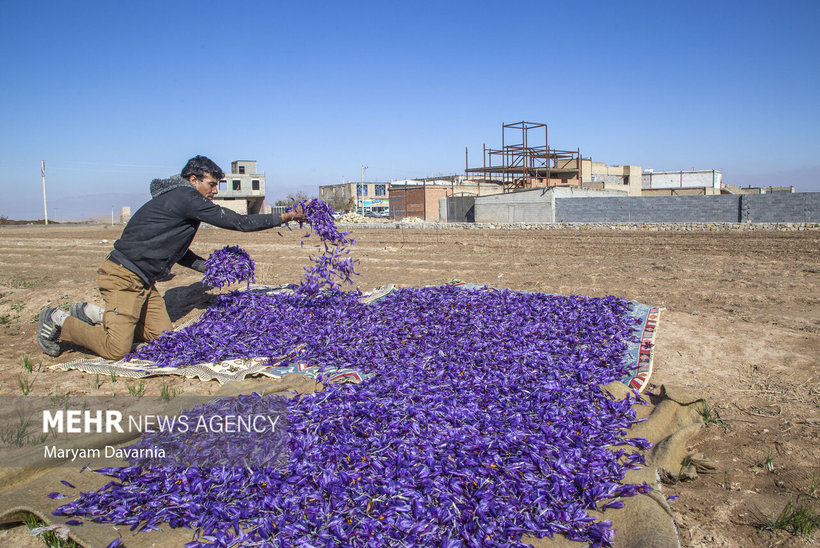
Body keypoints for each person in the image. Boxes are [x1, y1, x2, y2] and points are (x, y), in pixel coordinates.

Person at [36, 155, 305, 360]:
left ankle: (91, 313)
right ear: (193, 180)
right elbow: (239, 222)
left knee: (162, 338)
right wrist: (287, 216)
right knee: (116, 349)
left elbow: (179, 253)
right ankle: (58, 320)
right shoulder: (186, 197)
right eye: (211, 185)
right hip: (123, 275)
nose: (215, 191)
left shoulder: (182, 201)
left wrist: (208, 267)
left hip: (143, 281)